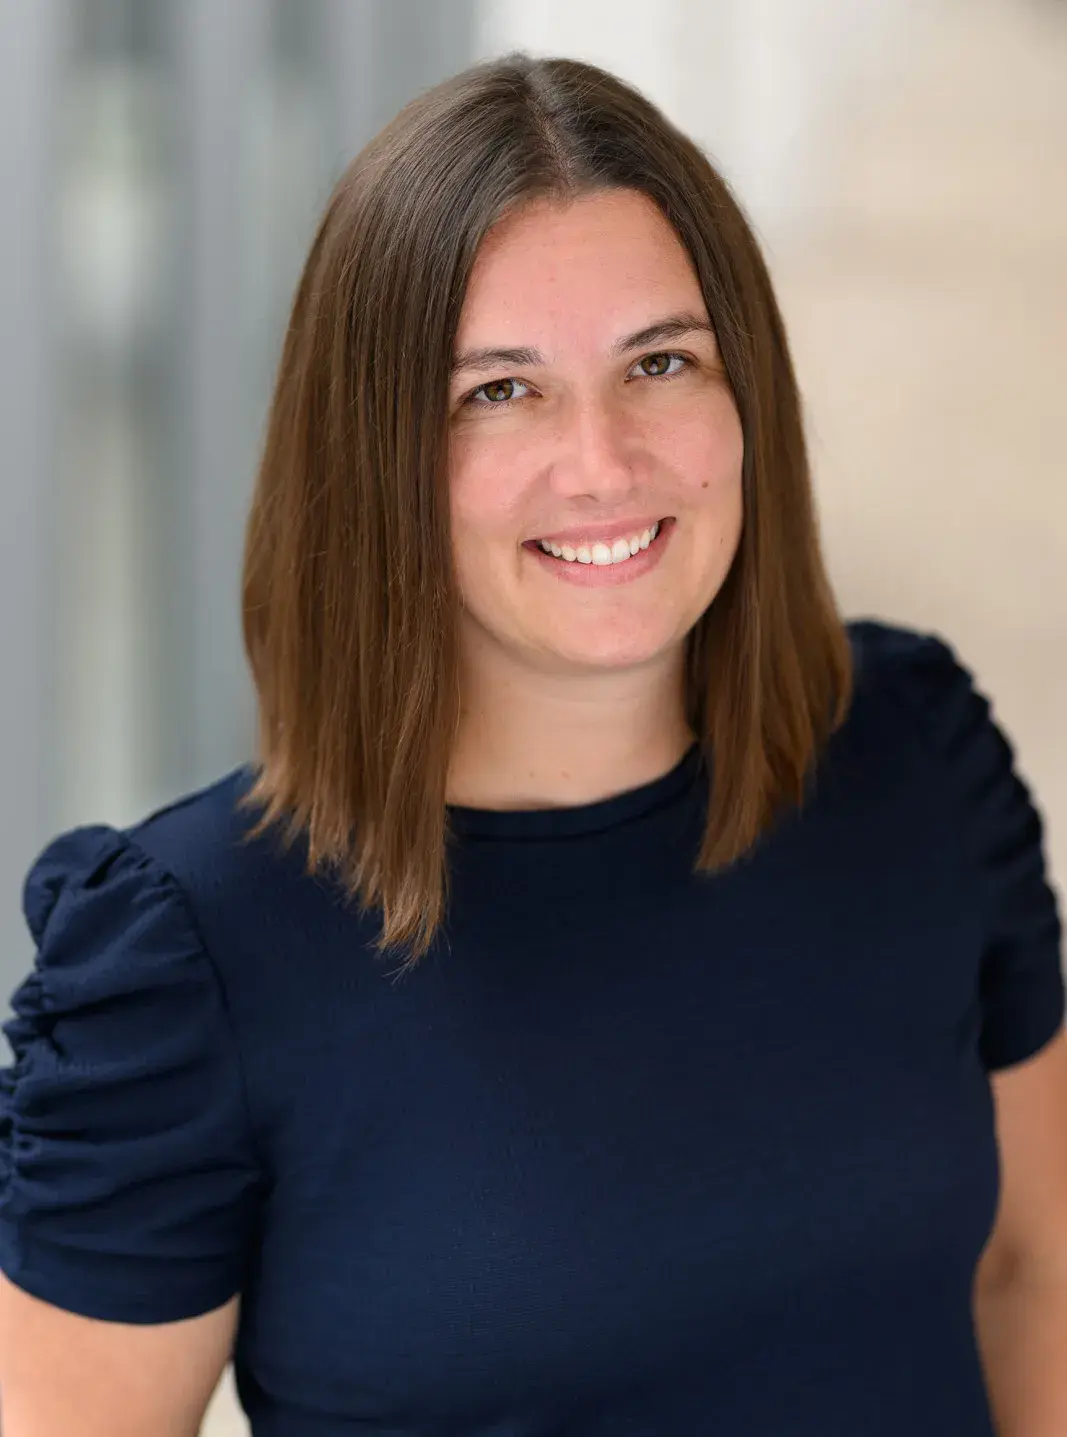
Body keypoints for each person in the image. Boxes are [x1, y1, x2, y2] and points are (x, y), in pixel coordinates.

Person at [0, 50, 1063, 1437]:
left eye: (661, 361)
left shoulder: (914, 757)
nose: (603, 461)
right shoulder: (189, 958)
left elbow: (1028, 1270)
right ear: (374, 456)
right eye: (498, 391)